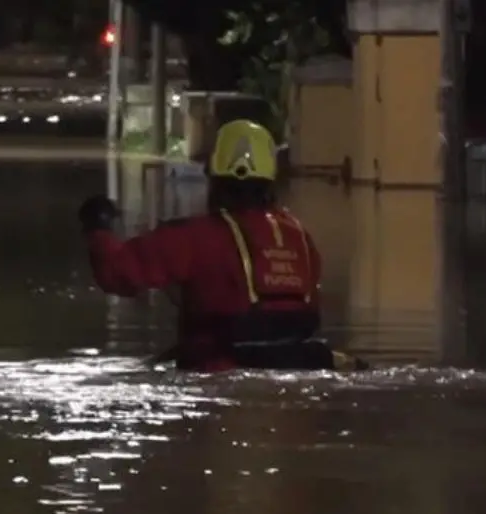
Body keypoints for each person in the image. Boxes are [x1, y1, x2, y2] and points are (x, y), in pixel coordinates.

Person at [78, 119, 367, 372]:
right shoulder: (299, 237)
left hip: (219, 369)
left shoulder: (193, 237)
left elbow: (117, 273)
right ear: (271, 179)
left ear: (213, 177)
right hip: (302, 366)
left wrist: (98, 227)